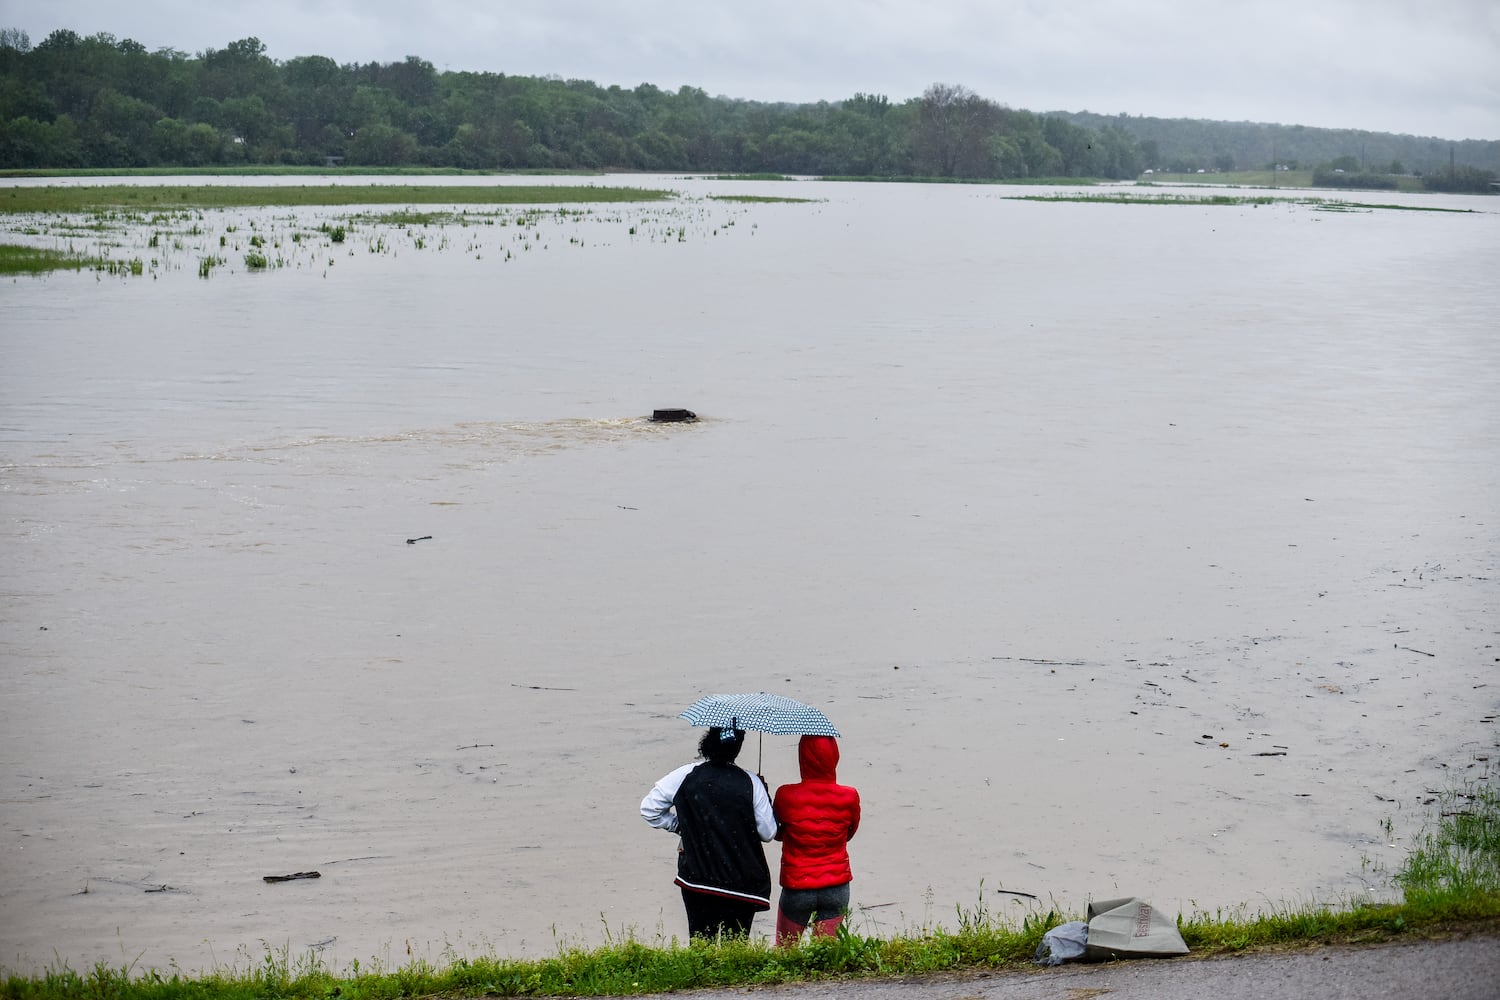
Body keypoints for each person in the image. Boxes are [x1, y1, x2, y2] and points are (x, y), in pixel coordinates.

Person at [641, 726, 778, 939]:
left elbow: (650, 809)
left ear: (708, 742)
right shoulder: (751, 782)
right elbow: (768, 832)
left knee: (701, 942)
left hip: (697, 879)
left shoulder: (685, 775)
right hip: (741, 884)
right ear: (738, 747)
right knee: (736, 947)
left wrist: (681, 826)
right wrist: (764, 794)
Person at [771, 734, 861, 946]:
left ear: (802, 757)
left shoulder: (785, 795)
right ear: (834, 757)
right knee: (825, 954)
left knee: (786, 952)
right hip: (836, 886)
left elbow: (775, 833)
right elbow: (850, 832)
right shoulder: (850, 796)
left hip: (797, 885)